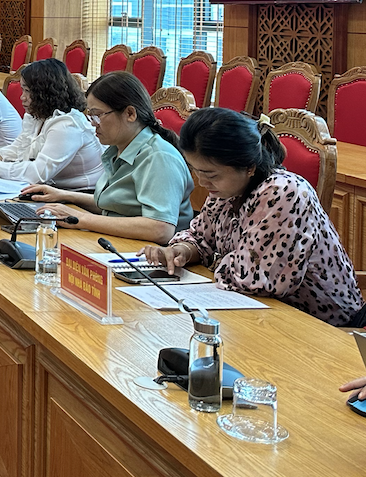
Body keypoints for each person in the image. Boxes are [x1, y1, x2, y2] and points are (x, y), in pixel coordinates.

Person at [141, 108, 364, 327]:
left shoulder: (284, 192)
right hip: (263, 315)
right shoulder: (226, 189)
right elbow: (200, 238)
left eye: (211, 174)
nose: (202, 182)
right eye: (196, 171)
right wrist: (181, 251)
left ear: (249, 167)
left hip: (326, 327)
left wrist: (215, 259)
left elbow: (256, 280)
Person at [23, 71, 194, 242]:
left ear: (130, 114)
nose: (92, 123)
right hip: (121, 242)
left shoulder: (159, 157)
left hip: (151, 254)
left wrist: (79, 218)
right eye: (90, 115)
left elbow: (160, 229)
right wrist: (64, 195)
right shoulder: (117, 149)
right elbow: (116, 206)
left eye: (98, 115)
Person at [0, 58, 104, 190]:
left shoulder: (67, 125)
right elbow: (16, 149)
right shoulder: (38, 115)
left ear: (46, 93)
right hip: (52, 189)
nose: (22, 97)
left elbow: (37, 173)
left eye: (27, 91)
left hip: (80, 194)